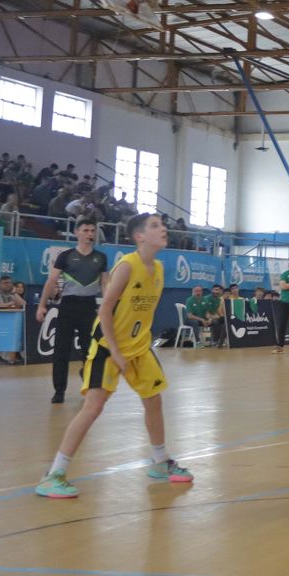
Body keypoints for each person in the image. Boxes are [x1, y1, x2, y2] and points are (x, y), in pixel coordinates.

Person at [36, 213, 192, 498]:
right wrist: (117, 351)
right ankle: (54, 473)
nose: (164, 229)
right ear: (139, 236)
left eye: (162, 224)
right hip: (109, 347)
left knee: (154, 401)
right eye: (156, 226)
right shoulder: (126, 267)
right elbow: (105, 310)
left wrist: (137, 346)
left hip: (139, 347)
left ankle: (159, 462)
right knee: (94, 407)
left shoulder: (157, 268)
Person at [38, 219, 109, 404]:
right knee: (61, 350)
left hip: (88, 306)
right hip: (68, 306)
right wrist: (41, 305)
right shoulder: (66, 256)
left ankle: (89, 385)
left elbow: (105, 285)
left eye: (93, 230)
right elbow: (51, 281)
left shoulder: (100, 258)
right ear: (77, 232)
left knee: (90, 350)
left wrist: (106, 308)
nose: (90, 234)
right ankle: (59, 390)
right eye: (85, 230)